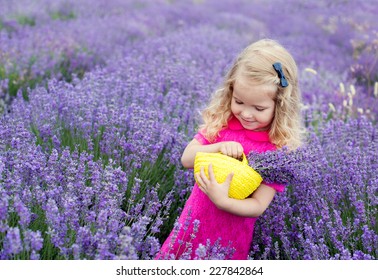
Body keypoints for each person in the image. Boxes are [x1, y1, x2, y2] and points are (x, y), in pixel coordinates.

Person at [156, 39, 303, 260]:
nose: (245, 113)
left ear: (281, 106)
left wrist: (223, 201)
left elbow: (258, 205)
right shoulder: (222, 123)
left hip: (228, 240)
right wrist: (216, 147)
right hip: (190, 227)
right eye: (239, 101)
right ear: (230, 91)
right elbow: (186, 158)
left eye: (259, 108)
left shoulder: (276, 151)